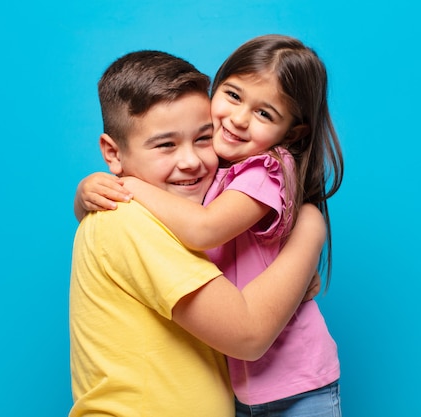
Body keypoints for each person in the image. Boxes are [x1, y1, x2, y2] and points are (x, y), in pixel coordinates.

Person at [75, 35, 344, 417]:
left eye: (203, 138)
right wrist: (88, 192)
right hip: (255, 387)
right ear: (112, 154)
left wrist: (300, 252)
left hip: (291, 385)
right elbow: (246, 330)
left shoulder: (248, 170)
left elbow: (205, 229)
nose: (191, 161)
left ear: (292, 130)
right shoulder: (132, 215)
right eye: (165, 145)